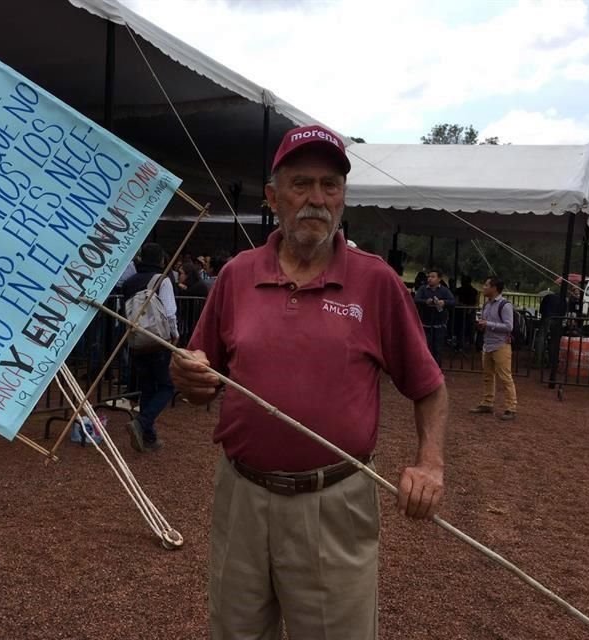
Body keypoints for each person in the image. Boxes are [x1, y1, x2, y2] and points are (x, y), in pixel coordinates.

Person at [169, 124, 447, 640]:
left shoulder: (376, 281)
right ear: (274, 197)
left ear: (343, 197)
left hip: (333, 501)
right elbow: (199, 378)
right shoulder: (236, 275)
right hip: (241, 496)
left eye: (330, 184)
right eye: (301, 185)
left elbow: (428, 385)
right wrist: (186, 375)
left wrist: (430, 463)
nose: (317, 199)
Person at [121, 242, 178, 452]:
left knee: (146, 387)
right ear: (162, 259)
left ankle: (148, 436)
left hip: (137, 340)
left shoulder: (129, 282)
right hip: (158, 340)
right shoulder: (161, 280)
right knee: (166, 386)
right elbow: (170, 312)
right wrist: (175, 335)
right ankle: (142, 422)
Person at [469, 276, 517, 420]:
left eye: (486, 285)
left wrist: (488, 324)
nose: (484, 288)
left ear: (494, 288)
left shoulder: (505, 305)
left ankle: (511, 407)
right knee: (487, 376)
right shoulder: (487, 304)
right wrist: (481, 325)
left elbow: (509, 327)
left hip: (501, 344)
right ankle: (487, 403)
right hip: (488, 343)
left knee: (505, 377)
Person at [414, 268, 455, 365]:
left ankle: (437, 371)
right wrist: (425, 302)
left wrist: (443, 302)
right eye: (428, 276)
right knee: (425, 348)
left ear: (439, 279)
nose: (430, 279)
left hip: (439, 325)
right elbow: (416, 299)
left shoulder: (444, 290)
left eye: (433, 277)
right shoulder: (423, 289)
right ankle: (425, 370)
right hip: (425, 324)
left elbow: (453, 302)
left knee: (437, 349)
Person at [454, 275, 479, 350]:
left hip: (465, 312)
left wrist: (468, 308)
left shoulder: (472, 291)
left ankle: (464, 344)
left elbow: (456, 301)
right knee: (465, 328)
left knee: (465, 328)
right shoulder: (474, 291)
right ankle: (465, 344)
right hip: (465, 312)